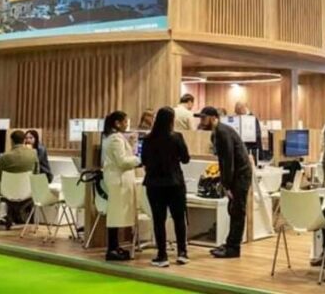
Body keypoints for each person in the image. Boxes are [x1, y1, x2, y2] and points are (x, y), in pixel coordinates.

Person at [198, 106, 252, 258]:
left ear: (213, 118)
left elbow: (228, 160)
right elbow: (224, 161)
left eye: (204, 118)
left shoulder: (222, 132)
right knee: (233, 210)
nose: (201, 121)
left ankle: (233, 248)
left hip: (240, 175)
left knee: (237, 211)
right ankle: (230, 243)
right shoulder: (217, 133)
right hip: (237, 174)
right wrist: (225, 182)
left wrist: (227, 185)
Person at [141, 107, 191, 268]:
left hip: (154, 184)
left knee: (158, 220)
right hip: (175, 183)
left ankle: (162, 255)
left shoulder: (148, 139)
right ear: (172, 120)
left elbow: (143, 160)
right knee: (179, 218)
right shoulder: (177, 137)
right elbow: (186, 159)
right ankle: (182, 253)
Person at [100, 111, 140, 261]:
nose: (126, 125)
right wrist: (139, 160)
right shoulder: (116, 138)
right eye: (125, 122)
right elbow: (122, 161)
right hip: (118, 181)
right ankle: (112, 248)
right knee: (115, 216)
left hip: (116, 180)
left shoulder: (111, 137)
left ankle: (115, 246)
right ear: (117, 123)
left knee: (116, 216)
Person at [0, 130, 38, 226]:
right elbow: (36, 174)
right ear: (24, 140)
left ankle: (7, 216)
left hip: (7, 193)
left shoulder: (4, 157)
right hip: (27, 192)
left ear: (11, 141)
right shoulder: (33, 154)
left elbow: (0, 177)